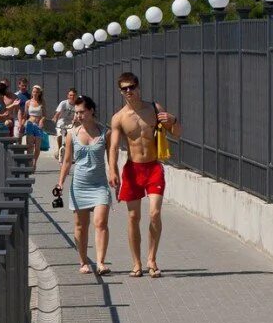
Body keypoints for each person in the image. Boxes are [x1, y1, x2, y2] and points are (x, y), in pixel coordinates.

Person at [108, 71, 180, 277]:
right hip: (132, 169)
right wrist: (113, 170)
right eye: (125, 88)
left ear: (138, 87)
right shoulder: (119, 118)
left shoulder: (154, 109)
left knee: (155, 213)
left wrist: (174, 120)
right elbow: (113, 147)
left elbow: (177, 133)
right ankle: (136, 263)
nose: (129, 91)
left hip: (153, 167)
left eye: (132, 87)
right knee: (133, 217)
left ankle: (152, 259)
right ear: (120, 91)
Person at [57, 95, 111, 275]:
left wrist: (114, 175)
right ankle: (83, 261)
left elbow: (112, 157)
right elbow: (66, 161)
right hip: (79, 185)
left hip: (100, 185)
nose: (79, 115)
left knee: (100, 222)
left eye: (82, 112)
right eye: (77, 112)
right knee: (81, 225)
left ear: (91, 111)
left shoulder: (105, 132)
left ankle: (101, 262)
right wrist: (60, 183)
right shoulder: (72, 134)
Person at [23, 84, 48, 169]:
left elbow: (45, 115)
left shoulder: (42, 102)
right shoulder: (28, 102)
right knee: (29, 145)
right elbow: (25, 115)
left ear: (39, 93)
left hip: (38, 126)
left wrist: (41, 120)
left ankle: (34, 162)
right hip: (30, 123)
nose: (35, 93)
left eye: (37, 92)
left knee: (37, 146)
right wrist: (22, 124)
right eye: (34, 91)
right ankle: (29, 163)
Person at [52, 88, 78, 161]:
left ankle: (72, 153)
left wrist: (74, 120)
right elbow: (58, 113)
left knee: (72, 137)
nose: (72, 97)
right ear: (68, 96)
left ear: (76, 96)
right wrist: (55, 118)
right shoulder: (63, 103)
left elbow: (77, 114)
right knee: (59, 135)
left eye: (73, 95)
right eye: (70, 95)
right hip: (62, 121)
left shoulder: (77, 105)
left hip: (71, 122)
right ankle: (59, 148)